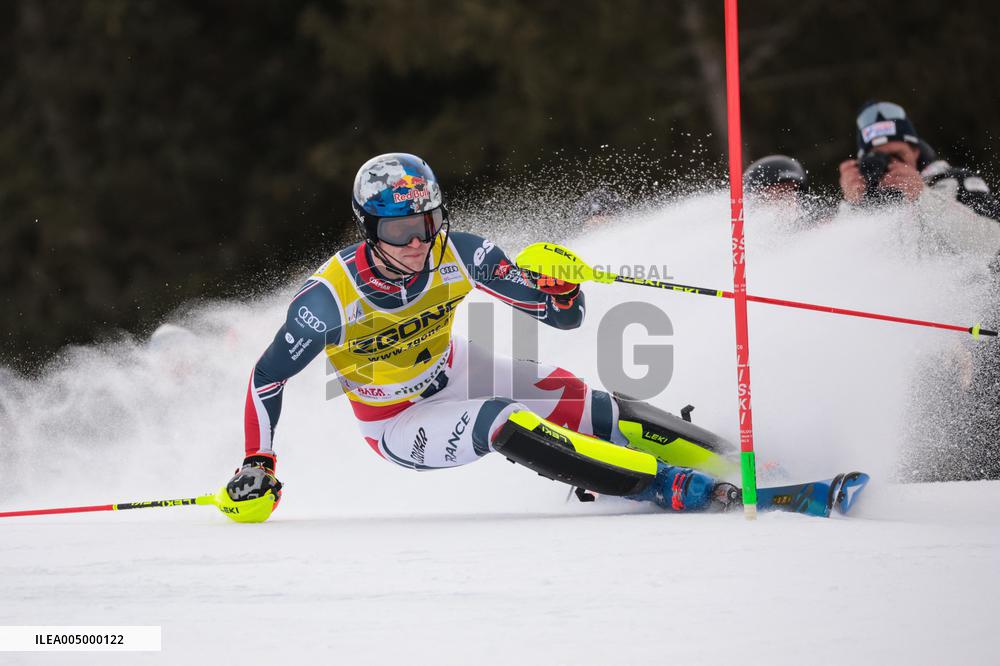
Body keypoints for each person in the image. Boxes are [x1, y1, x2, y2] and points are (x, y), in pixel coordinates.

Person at [220, 153, 741, 521]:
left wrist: (561, 292)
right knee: (502, 420)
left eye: (429, 223)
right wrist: (258, 463)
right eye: (400, 231)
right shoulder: (327, 300)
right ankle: (667, 485)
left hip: (455, 368)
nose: (419, 243)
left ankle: (733, 456)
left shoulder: (463, 253)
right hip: (396, 420)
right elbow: (268, 377)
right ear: (369, 228)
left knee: (592, 406)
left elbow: (563, 319)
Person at [838, 100, 1000, 253]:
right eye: (878, 158)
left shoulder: (954, 181)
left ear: (915, 151)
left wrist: (922, 196)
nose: (890, 164)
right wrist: (852, 205)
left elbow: (992, 244)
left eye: (897, 155)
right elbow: (841, 260)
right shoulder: (867, 202)